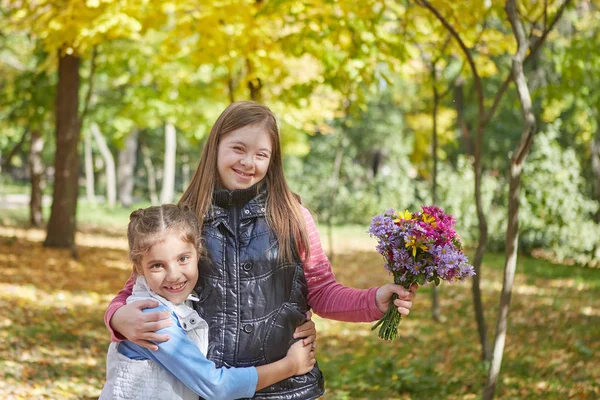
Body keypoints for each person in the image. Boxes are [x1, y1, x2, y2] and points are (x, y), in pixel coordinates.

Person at [105, 101, 418, 400]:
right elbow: (141, 287)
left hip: (287, 387)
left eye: (261, 154)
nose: (247, 162)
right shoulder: (187, 218)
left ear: (272, 160)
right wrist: (117, 319)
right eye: (238, 148)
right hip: (212, 387)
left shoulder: (293, 216)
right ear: (215, 147)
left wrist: (373, 300)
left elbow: (322, 292)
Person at [100, 204, 316, 400]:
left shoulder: (183, 302)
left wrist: (295, 319)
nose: (173, 275)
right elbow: (216, 386)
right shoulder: (153, 318)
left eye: (183, 259)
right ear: (138, 268)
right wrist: (291, 366)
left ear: (198, 253)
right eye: (157, 265)